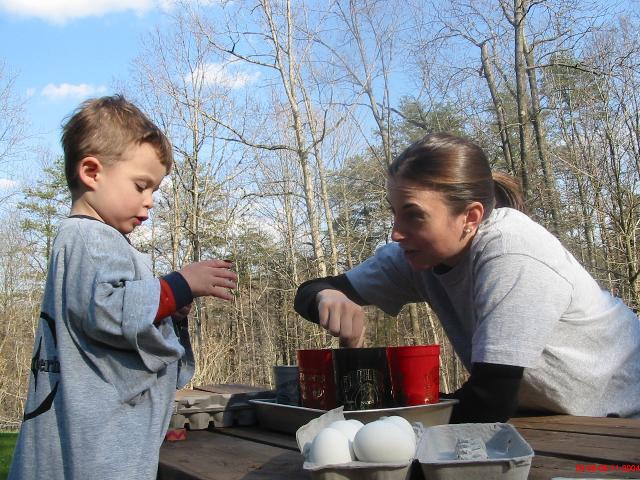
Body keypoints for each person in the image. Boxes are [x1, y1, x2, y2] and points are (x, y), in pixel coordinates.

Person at [295, 132, 640, 422]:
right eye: (394, 212)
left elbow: (490, 399)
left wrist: (382, 431)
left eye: (414, 215)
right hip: (547, 418)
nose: (396, 232)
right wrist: (327, 296)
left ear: (470, 218)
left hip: (625, 418)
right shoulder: (415, 255)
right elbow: (308, 291)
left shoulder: (512, 250)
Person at [9, 95, 238, 480]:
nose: (149, 202)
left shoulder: (88, 240)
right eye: (141, 186)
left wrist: (169, 310)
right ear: (91, 172)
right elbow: (108, 309)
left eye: (154, 190)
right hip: (96, 457)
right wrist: (180, 285)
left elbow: (110, 325)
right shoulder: (89, 238)